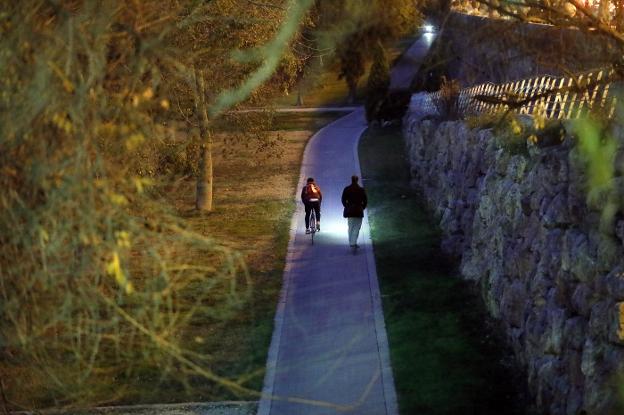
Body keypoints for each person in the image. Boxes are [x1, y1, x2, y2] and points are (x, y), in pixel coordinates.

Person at [341, 175, 367, 248]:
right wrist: (362, 208)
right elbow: (365, 201)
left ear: (351, 180)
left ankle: (351, 242)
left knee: (350, 226)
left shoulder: (347, 189)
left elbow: (343, 199)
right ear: (357, 180)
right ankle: (353, 242)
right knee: (357, 227)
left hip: (350, 211)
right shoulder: (361, 190)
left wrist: (347, 206)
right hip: (359, 210)